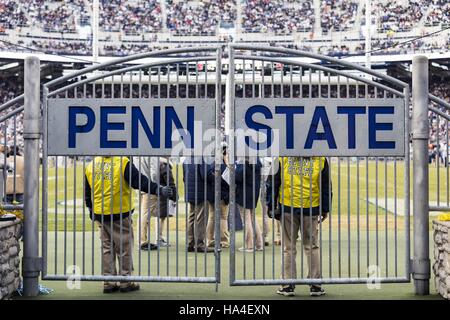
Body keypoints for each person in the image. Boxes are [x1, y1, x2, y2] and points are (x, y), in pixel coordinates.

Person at [84, 156, 174, 293]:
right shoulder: (122, 162)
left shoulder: (92, 165)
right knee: (124, 247)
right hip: (119, 212)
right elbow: (140, 181)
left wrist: (91, 209)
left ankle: (108, 281)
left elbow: (87, 192)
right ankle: (126, 280)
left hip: (100, 212)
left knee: (106, 247)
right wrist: (158, 189)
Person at [266, 156, 331, 297]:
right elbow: (326, 185)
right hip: (311, 206)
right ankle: (315, 285)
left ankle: (288, 285)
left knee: (288, 247)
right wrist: (325, 208)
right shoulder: (320, 159)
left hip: (288, 206)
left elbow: (272, 182)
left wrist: (271, 205)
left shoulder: (282, 158)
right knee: (312, 247)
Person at [133, 156, 177, 250]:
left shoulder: (136, 155)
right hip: (150, 188)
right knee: (145, 215)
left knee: (143, 214)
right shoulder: (151, 154)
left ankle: (142, 240)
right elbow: (154, 172)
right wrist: (157, 188)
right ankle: (142, 241)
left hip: (140, 186)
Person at [183, 157, 214, 253]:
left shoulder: (186, 159)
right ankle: (199, 244)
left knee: (191, 217)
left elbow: (184, 177)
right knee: (201, 218)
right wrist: (216, 177)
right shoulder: (203, 158)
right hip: (201, 191)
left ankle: (190, 242)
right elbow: (206, 174)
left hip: (190, 191)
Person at [204, 143, 230, 249]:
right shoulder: (223, 164)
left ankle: (209, 239)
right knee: (223, 218)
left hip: (212, 194)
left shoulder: (211, 162)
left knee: (211, 217)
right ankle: (223, 240)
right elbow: (227, 179)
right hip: (222, 194)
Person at [235, 156, 263, 252]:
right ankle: (259, 244)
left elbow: (237, 177)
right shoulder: (257, 162)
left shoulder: (243, 163)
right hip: (253, 192)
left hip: (244, 193)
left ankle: (249, 245)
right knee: (252, 218)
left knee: (246, 219)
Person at [261, 157, 281, 246]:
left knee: (265, 213)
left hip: (266, 187)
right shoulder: (278, 159)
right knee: (280, 212)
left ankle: (265, 236)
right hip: (278, 188)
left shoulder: (262, 159)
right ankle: (279, 236)